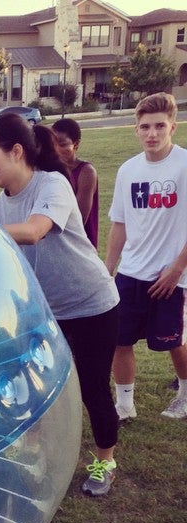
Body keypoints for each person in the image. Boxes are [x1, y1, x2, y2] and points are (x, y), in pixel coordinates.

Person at [0, 112, 120, 497]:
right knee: (35, 387)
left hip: (91, 305)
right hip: (45, 312)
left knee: (92, 387)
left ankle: (105, 461)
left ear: (17, 151)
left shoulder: (52, 184)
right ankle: (37, 456)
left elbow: (34, 231)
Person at [105, 92, 187, 420]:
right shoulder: (128, 170)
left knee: (173, 341)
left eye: (159, 126)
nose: (152, 133)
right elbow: (120, 223)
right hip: (131, 273)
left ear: (173, 127)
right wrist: (108, 269)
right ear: (136, 130)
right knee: (119, 339)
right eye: (145, 127)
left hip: (171, 276)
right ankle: (124, 405)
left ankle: (185, 395)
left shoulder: (184, 165)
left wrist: (177, 270)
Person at [51, 118, 99, 248]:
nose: (56, 149)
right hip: (57, 245)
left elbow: (79, 220)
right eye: (53, 144)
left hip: (79, 247)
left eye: (62, 144)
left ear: (76, 144)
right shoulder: (50, 171)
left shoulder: (86, 172)